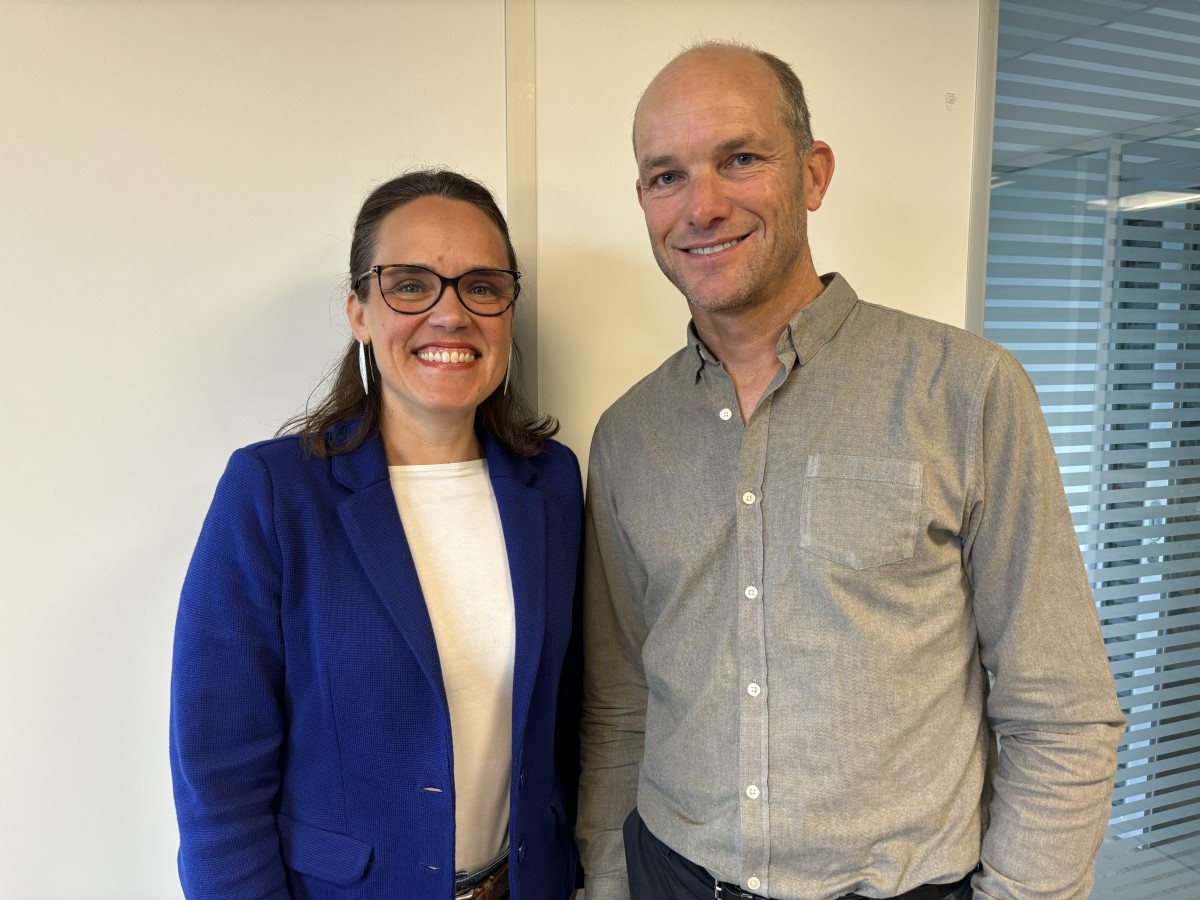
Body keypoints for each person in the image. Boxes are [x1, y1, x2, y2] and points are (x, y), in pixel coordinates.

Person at [576, 42, 1124, 900]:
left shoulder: (969, 392)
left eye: (740, 158)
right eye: (665, 176)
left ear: (813, 173)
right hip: (670, 875)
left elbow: (1062, 712)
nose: (702, 206)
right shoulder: (626, 437)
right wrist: (607, 881)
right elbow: (620, 704)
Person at [170, 169, 582, 900]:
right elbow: (219, 778)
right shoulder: (272, 495)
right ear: (359, 310)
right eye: (410, 284)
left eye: (481, 286)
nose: (450, 315)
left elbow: (572, 718)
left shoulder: (550, 483)